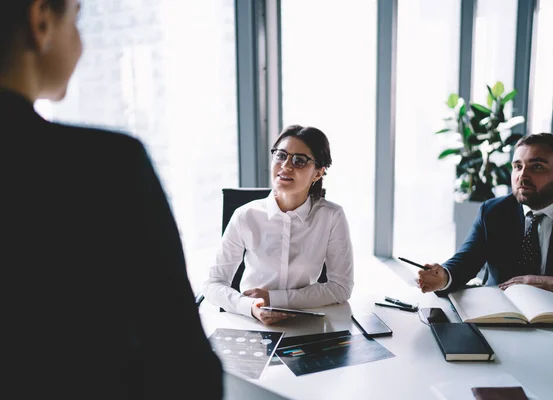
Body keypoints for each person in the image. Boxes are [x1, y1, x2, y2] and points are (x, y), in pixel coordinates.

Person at [1, 1, 222, 398]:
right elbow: (187, 370)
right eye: (76, 19)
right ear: (41, 21)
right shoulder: (107, 168)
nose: (82, 42)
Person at [418, 133, 553, 303]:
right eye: (517, 166)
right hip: (500, 313)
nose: (522, 175)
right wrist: (444, 276)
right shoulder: (493, 211)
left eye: (537, 166)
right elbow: (466, 260)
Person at [202, 125, 354, 325]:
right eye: (281, 156)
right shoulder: (245, 216)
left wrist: (274, 299)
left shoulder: (332, 216)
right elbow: (213, 284)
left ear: (318, 173)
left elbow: (341, 287)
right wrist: (251, 307)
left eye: (300, 161)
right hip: (250, 322)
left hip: (307, 322)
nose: (286, 166)